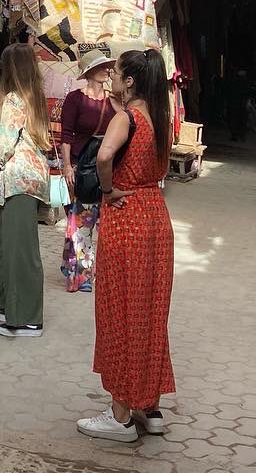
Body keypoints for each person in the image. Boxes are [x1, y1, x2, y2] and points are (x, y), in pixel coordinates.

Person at [78, 48, 175, 443]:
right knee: (149, 312)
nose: (111, 78)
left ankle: (119, 415)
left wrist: (107, 188)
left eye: (116, 72)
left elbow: (104, 156)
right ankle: (149, 407)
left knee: (119, 311)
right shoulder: (160, 118)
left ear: (131, 81)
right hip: (155, 217)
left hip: (127, 216)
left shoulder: (127, 118)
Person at [0, 43, 51, 338]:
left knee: (21, 250)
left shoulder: (14, 99)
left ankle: (28, 318)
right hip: (29, 178)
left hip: (19, 180)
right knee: (3, 241)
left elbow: (5, 142)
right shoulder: (34, 98)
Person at [58, 47, 117, 292]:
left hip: (108, 168)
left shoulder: (114, 101)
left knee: (105, 223)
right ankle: (82, 275)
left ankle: (93, 271)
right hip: (83, 168)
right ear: (90, 72)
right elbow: (66, 136)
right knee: (83, 221)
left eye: (107, 67)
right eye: (101, 67)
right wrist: (67, 166)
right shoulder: (75, 99)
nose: (106, 71)